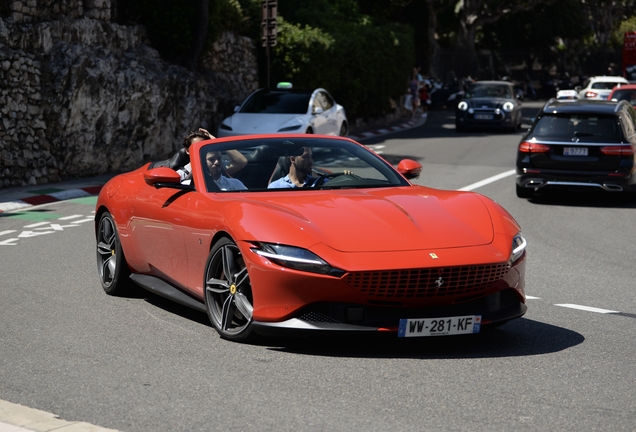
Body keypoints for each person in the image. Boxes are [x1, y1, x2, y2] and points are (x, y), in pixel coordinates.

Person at [177, 128, 247, 184]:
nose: (201, 149)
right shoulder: (181, 174)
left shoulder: (217, 165)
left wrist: (216, 142)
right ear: (187, 150)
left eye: (203, 146)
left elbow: (242, 161)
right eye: (197, 147)